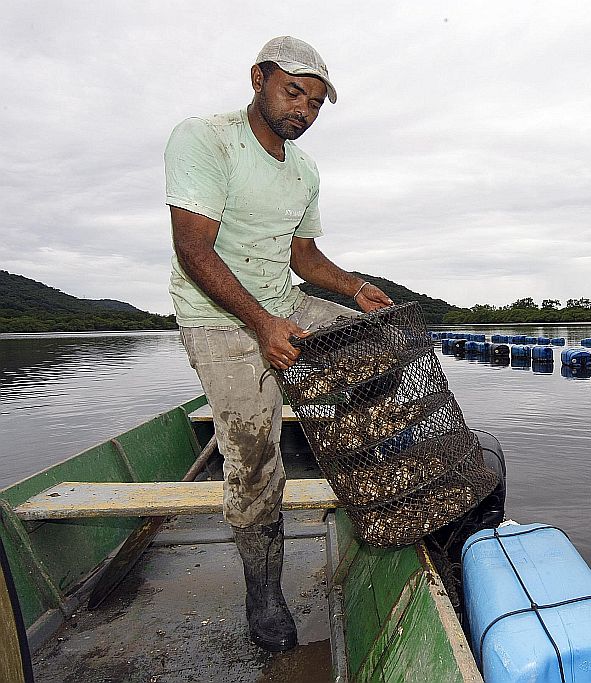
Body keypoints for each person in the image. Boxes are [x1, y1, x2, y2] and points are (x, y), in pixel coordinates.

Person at [164, 36, 392, 652]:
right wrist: (262, 326)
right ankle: (263, 594)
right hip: (218, 318)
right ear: (258, 78)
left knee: (375, 345)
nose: (304, 111)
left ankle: (368, 471)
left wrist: (355, 288)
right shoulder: (205, 139)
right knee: (254, 458)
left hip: (283, 302)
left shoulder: (305, 170)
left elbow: (304, 257)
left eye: (315, 103)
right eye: (294, 93)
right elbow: (193, 250)